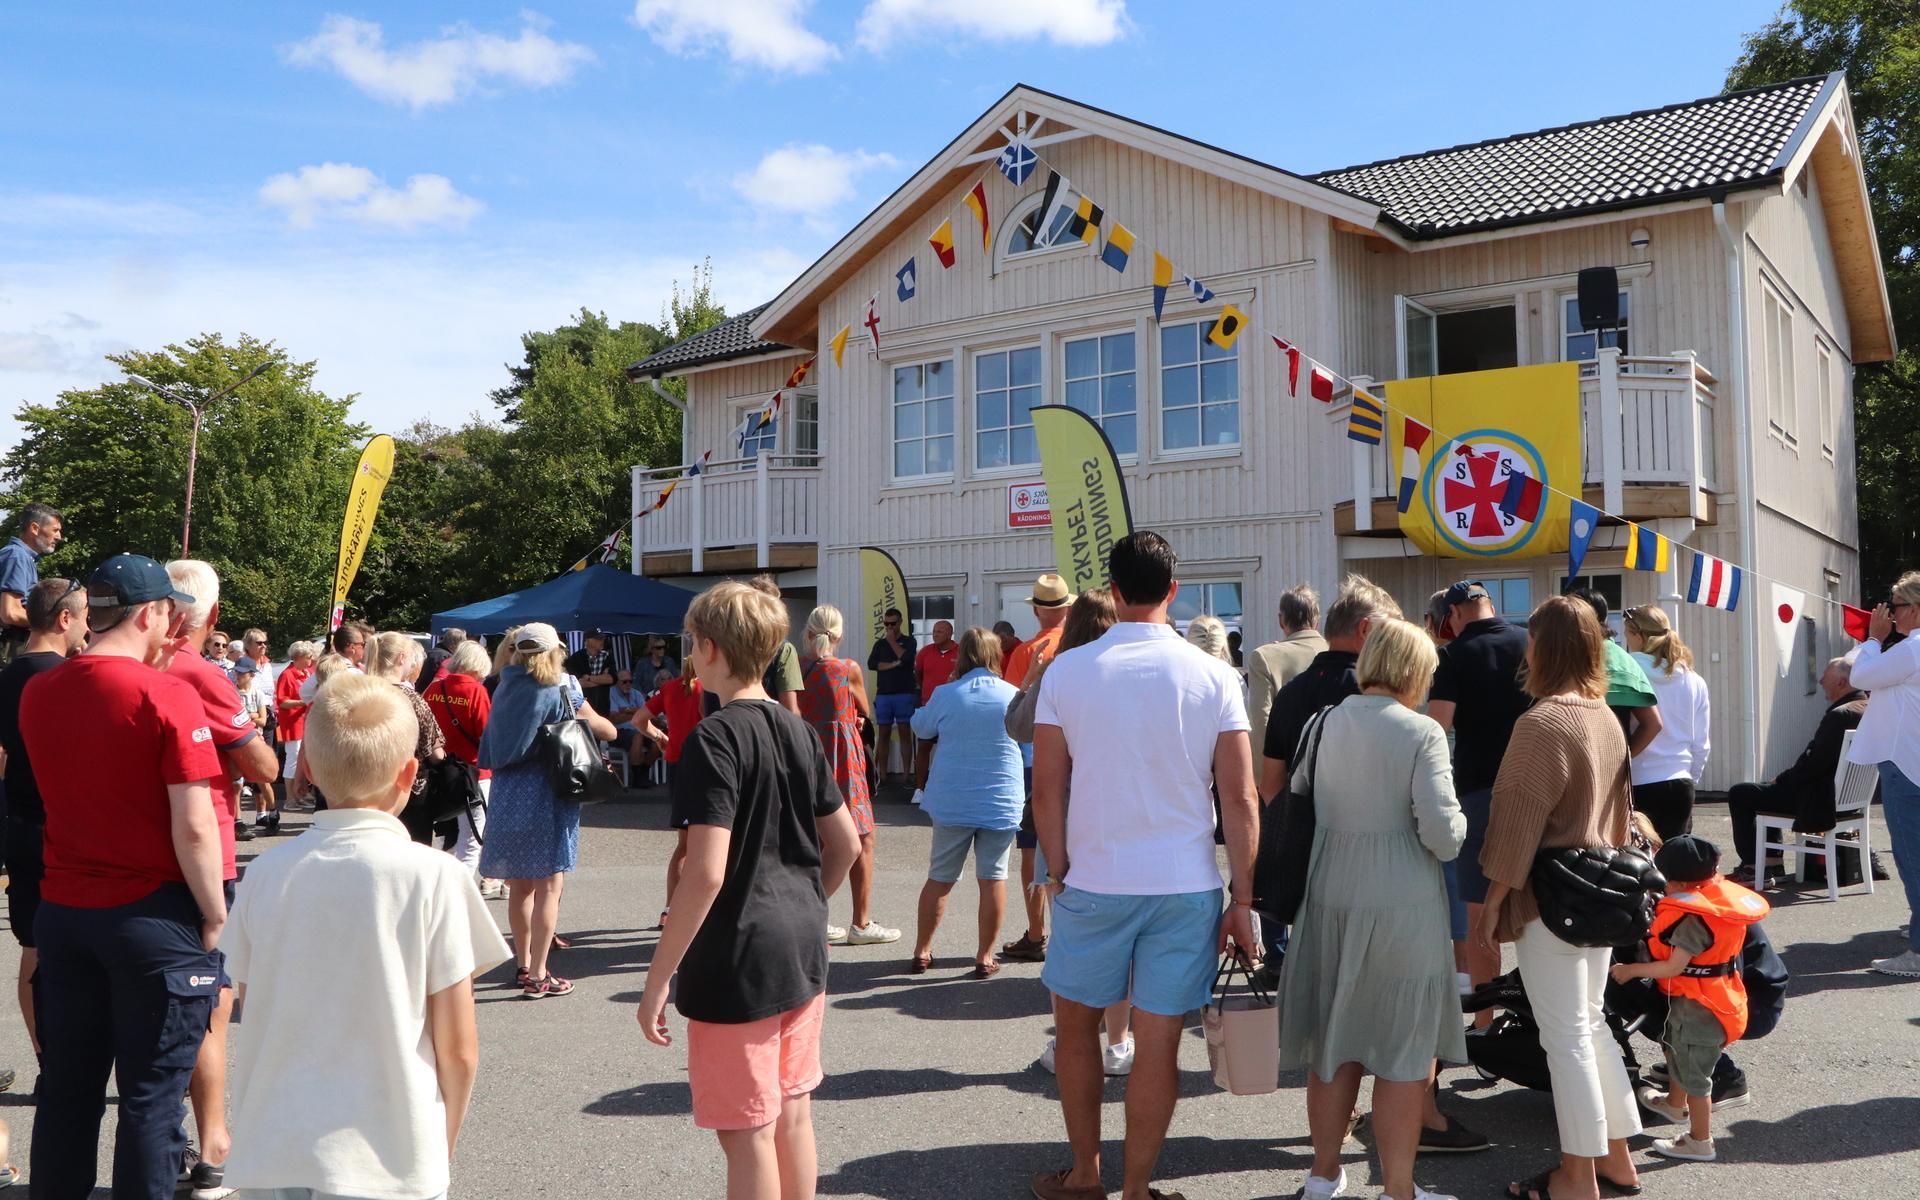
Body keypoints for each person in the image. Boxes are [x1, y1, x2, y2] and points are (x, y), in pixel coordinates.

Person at [1029, 531, 1258, 1200]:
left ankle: (1083, 1175)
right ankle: (1135, 1190)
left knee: (1075, 1035)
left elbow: (1047, 788)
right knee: (1158, 1047)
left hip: (1093, 879)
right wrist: (1243, 899)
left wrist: (1057, 870)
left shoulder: (1066, 672)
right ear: (1173, 591)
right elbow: (1240, 798)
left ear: (1114, 589)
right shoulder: (1215, 674)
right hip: (1185, 884)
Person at [222, 672, 509, 1200]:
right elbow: (459, 1048)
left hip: (277, 1144)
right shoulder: (434, 877)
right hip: (390, 1152)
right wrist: (439, 1144)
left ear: (307, 766)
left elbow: (254, 1005)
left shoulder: (264, 875)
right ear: (408, 774)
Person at [635, 581, 861, 1200]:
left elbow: (704, 871)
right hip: (800, 943)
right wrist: (808, 901)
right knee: (792, 1112)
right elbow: (846, 845)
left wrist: (659, 977)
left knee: (746, 1133)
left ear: (708, 647)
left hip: (738, 956)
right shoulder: (798, 731)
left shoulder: (714, 738)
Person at [21, 553, 226, 1200]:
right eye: (169, 608)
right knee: (151, 1096)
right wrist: (214, 910)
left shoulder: (40, 687)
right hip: (151, 914)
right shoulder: (167, 693)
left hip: (66, 909)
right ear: (150, 613)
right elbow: (192, 825)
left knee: (67, 1089)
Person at [1278, 618, 1466, 1200]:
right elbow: (1443, 834)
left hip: (1330, 893)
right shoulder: (1422, 732)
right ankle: (1399, 1189)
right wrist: (1461, 823)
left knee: (1334, 1046)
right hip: (1402, 903)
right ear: (1417, 671)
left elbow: (1302, 798)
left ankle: (1323, 1174)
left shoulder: (1322, 722)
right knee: (1405, 1054)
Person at [1475, 595, 1641, 1200]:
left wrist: (1494, 900)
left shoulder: (1543, 722)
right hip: (1600, 892)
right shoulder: (1604, 715)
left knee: (1567, 1036)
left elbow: (1517, 819)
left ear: (1541, 648)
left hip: (1552, 896)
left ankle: (1577, 1176)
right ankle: (1617, 1161)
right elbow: (1622, 814)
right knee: (1589, 1027)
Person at [160, 560, 280, 1199]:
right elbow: (259, 764)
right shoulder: (198, 672)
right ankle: (212, 1149)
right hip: (204, 854)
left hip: (126, 859)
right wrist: (256, 742)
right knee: (209, 1001)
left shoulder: (112, 663)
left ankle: (169, 1142)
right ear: (205, 613)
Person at [1006, 588, 1135, 1075]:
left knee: (1070, 941)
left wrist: (1035, 674)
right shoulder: (1127, 669)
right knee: (1121, 942)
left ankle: (1066, 1044)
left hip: (1062, 818)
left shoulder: (1062, 671)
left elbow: (1016, 724)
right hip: (1118, 818)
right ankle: (1119, 1044)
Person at [1609, 834, 1769, 1165]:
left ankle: (1699, 1141)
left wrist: (1629, 970)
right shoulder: (1713, 902)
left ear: (1679, 881)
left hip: (1702, 1009)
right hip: (1706, 999)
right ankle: (1672, 1104)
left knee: (1697, 1077)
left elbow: (1673, 965)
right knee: (1673, 1047)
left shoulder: (1692, 918)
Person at [478, 622, 617, 998]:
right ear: (554, 651)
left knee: (520, 886)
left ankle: (523, 966)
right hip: (548, 791)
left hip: (508, 792)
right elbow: (605, 730)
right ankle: (540, 974)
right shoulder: (563, 687)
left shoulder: (502, 685)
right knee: (549, 886)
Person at [1425, 580, 1533, 1011]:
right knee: (1537, 907)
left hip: (1479, 790)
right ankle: (1539, 1015)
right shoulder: (1529, 641)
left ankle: (1487, 1022)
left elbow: (1437, 730)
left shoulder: (1452, 656)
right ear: (1490, 604)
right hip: (1535, 785)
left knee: (1478, 908)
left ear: (1452, 615)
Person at [0, 577, 88, 1058]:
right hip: (67, 830)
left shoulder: (7, 676)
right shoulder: (69, 679)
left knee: (33, 948)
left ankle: (47, 1062)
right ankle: (77, 1060)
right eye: (86, 617)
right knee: (79, 951)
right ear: (64, 618)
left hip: (22, 826)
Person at [907, 628, 1023, 978]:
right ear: (995, 657)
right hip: (1000, 799)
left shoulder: (946, 693)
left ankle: (922, 951)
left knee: (940, 877)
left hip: (953, 798)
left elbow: (921, 728)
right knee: (993, 879)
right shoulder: (1012, 695)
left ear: (963, 657)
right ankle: (984, 956)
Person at [798, 605, 897, 946]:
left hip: (805, 755)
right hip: (841, 757)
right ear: (839, 635)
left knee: (813, 838)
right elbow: (863, 714)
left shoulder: (795, 666)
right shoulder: (847, 668)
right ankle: (861, 923)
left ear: (808, 632)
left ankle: (815, 916)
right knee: (862, 837)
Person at [1725, 657, 1867, 883]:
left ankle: (1754, 867)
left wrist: (1780, 780)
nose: (1820, 681)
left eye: (1825, 677)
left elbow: (1812, 765)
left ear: (1841, 683)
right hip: (1849, 798)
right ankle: (1771, 864)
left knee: (1741, 793)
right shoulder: (1867, 708)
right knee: (1765, 791)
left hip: (1821, 800)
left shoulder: (1840, 715)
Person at [1846, 572, 1920, 977]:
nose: (1888, 614)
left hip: (1907, 767)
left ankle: (1919, 953)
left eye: (1894, 607)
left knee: (1913, 861)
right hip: (1911, 761)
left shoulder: (1913, 648)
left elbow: (1859, 677)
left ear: (1913, 609)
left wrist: (1873, 638)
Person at [1001, 573, 1075, 962]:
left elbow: (1014, 708)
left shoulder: (1025, 652)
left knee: (1032, 844)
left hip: (1033, 754)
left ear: (1035, 609)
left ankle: (1036, 930)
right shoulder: (1079, 645)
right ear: (1067, 608)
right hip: (1074, 757)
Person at [1623, 605, 1711, 839]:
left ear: (1636, 634)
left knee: (1639, 868)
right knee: (1676, 870)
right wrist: (1690, 779)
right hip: (1680, 783)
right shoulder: (1694, 680)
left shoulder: (1628, 671)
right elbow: (1701, 744)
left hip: (1639, 782)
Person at [422, 641, 500, 895]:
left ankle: (441, 884)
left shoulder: (433, 688)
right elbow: (487, 735)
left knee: (447, 835)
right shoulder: (476, 691)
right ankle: (455, 894)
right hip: (473, 773)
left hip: (440, 771)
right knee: (472, 838)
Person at [366, 631, 448, 845]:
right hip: (408, 791)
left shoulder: (360, 691)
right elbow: (436, 752)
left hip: (365, 785)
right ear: (402, 658)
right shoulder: (412, 699)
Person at [643, 659, 707, 927]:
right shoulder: (708, 689)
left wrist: (659, 735)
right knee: (711, 842)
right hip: (705, 764)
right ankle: (702, 909)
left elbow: (638, 719)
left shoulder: (668, 688)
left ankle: (669, 910)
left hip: (677, 765)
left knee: (683, 845)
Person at [1567, 587, 1664, 755]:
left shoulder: (1572, 657)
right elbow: (1653, 724)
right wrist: (1624, 761)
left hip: (1581, 765)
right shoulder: (1625, 659)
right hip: (1615, 770)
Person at [1246, 585, 1327, 758]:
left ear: (1280, 620)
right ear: (1317, 621)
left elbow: (1262, 721)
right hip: (1330, 764)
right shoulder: (1336, 652)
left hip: (1284, 765)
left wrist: (1263, 778)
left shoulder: (1263, 657)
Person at [0, 503, 62, 663]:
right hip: (9, 649)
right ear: (34, 528)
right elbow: (10, 613)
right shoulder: (17, 557)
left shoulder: (21, 557)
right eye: (55, 530)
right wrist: (55, 623)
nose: (59, 537)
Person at [271, 641, 319, 829]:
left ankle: (300, 794)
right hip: (292, 723)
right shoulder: (287, 674)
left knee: (301, 759)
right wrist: (304, 702)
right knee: (292, 760)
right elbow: (282, 702)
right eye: (308, 657)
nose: (310, 660)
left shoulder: (305, 673)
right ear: (298, 657)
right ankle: (290, 798)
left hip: (303, 722)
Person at [867, 607, 918, 782]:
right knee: (883, 733)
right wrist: (893, 665)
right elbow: (872, 664)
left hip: (904, 693)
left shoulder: (909, 641)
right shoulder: (879, 644)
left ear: (900, 622)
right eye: (886, 623)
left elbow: (906, 659)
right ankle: (882, 774)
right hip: (884, 694)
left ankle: (906, 773)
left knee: (905, 732)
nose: (889, 627)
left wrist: (892, 642)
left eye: (893, 624)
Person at [746, 576, 805, 716]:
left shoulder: (726, 644)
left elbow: (705, 706)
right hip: (767, 730)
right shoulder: (784, 650)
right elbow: (790, 709)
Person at [564, 629, 617, 718]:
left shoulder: (607, 656)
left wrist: (589, 678)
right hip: (583, 708)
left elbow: (611, 679)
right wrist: (601, 679)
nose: (602, 641)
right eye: (598, 639)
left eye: (602, 639)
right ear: (588, 641)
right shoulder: (576, 658)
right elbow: (578, 682)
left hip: (603, 707)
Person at [915, 619, 959, 704]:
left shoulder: (961, 652)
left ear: (950, 634)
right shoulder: (925, 651)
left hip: (953, 702)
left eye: (939, 632)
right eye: (934, 632)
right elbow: (918, 675)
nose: (935, 635)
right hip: (929, 702)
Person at [418, 626, 463, 693]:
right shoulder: (447, 658)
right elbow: (438, 681)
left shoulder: (430, 652)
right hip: (430, 694)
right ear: (456, 644)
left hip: (419, 691)